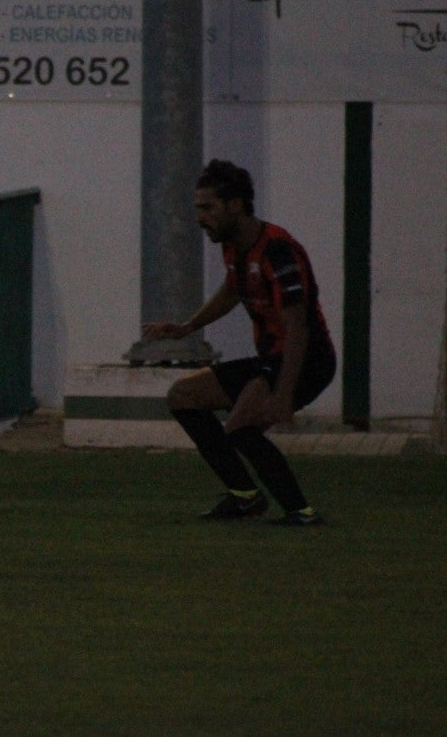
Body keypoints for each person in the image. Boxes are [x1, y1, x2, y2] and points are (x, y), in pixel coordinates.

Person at [143, 159, 337, 526]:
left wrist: (283, 394)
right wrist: (187, 327)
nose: (200, 218)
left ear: (235, 205)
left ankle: (301, 512)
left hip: (306, 360)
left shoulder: (278, 250)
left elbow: (298, 328)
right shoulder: (235, 245)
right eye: (198, 208)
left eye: (208, 208)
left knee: (240, 428)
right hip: (271, 359)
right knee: (183, 396)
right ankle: (245, 495)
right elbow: (234, 289)